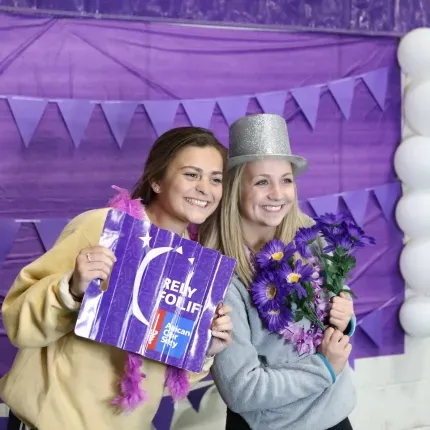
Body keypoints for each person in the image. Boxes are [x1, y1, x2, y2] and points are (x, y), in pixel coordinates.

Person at [1, 127, 233, 430]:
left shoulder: (194, 266)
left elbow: (165, 381)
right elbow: (18, 324)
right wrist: (71, 289)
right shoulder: (103, 228)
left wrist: (204, 348)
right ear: (157, 181)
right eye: (191, 175)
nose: (205, 188)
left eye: (216, 179)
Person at [201, 114, 356, 430]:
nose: (278, 193)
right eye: (262, 181)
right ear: (234, 189)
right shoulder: (221, 277)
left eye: (286, 179)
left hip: (335, 417)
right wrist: (324, 367)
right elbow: (243, 390)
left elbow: (335, 306)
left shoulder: (310, 238)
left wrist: (345, 316)